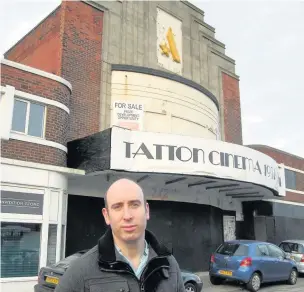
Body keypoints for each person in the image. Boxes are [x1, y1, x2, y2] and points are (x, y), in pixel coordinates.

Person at [55, 178, 185, 292]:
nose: (127, 216)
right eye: (117, 207)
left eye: (134, 205)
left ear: (146, 211)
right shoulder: (79, 273)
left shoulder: (169, 264)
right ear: (106, 216)